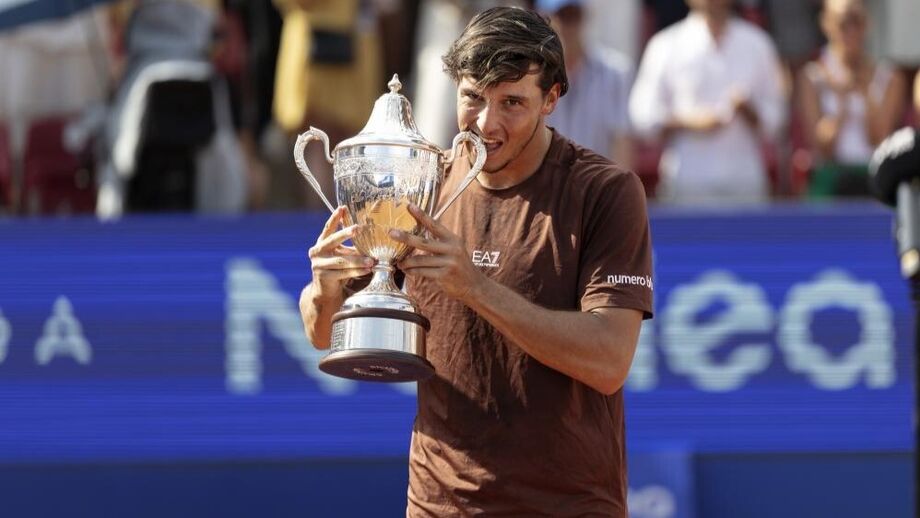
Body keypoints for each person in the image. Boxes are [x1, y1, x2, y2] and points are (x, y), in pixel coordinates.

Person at [299, 6, 653, 516]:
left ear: (551, 98)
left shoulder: (605, 192)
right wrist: (325, 287)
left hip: (568, 505)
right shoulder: (422, 182)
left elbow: (609, 360)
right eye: (472, 98)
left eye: (512, 102)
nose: (487, 123)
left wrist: (475, 287)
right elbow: (321, 331)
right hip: (439, 504)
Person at [629, 0, 785, 203]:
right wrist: (688, 121)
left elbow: (778, 118)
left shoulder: (758, 44)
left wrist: (750, 111)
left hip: (744, 183)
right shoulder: (665, 45)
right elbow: (642, 117)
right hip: (688, 183)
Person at [797, 0, 907, 198]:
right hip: (831, 180)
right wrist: (841, 102)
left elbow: (879, 138)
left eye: (856, 21)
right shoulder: (813, 76)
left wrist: (865, 92)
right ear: (826, 24)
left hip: (873, 176)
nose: (850, 31)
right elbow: (822, 147)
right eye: (842, 23)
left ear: (867, 24)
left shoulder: (889, 77)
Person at [537, 0, 635, 170]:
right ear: (546, 20)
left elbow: (622, 142)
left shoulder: (616, 72)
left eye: (574, 16)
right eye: (562, 16)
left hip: (597, 188)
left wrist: (618, 192)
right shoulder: (532, 73)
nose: (568, 26)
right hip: (545, 189)